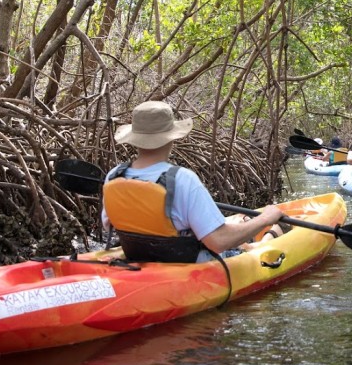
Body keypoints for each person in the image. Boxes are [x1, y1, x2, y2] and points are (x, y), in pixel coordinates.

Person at [100, 101, 284, 263]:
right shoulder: (182, 179)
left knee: (238, 221)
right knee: (271, 228)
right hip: (188, 264)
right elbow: (218, 242)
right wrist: (265, 219)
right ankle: (270, 236)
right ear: (172, 138)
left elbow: (108, 223)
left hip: (138, 256)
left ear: (135, 139)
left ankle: (250, 228)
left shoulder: (114, 175)